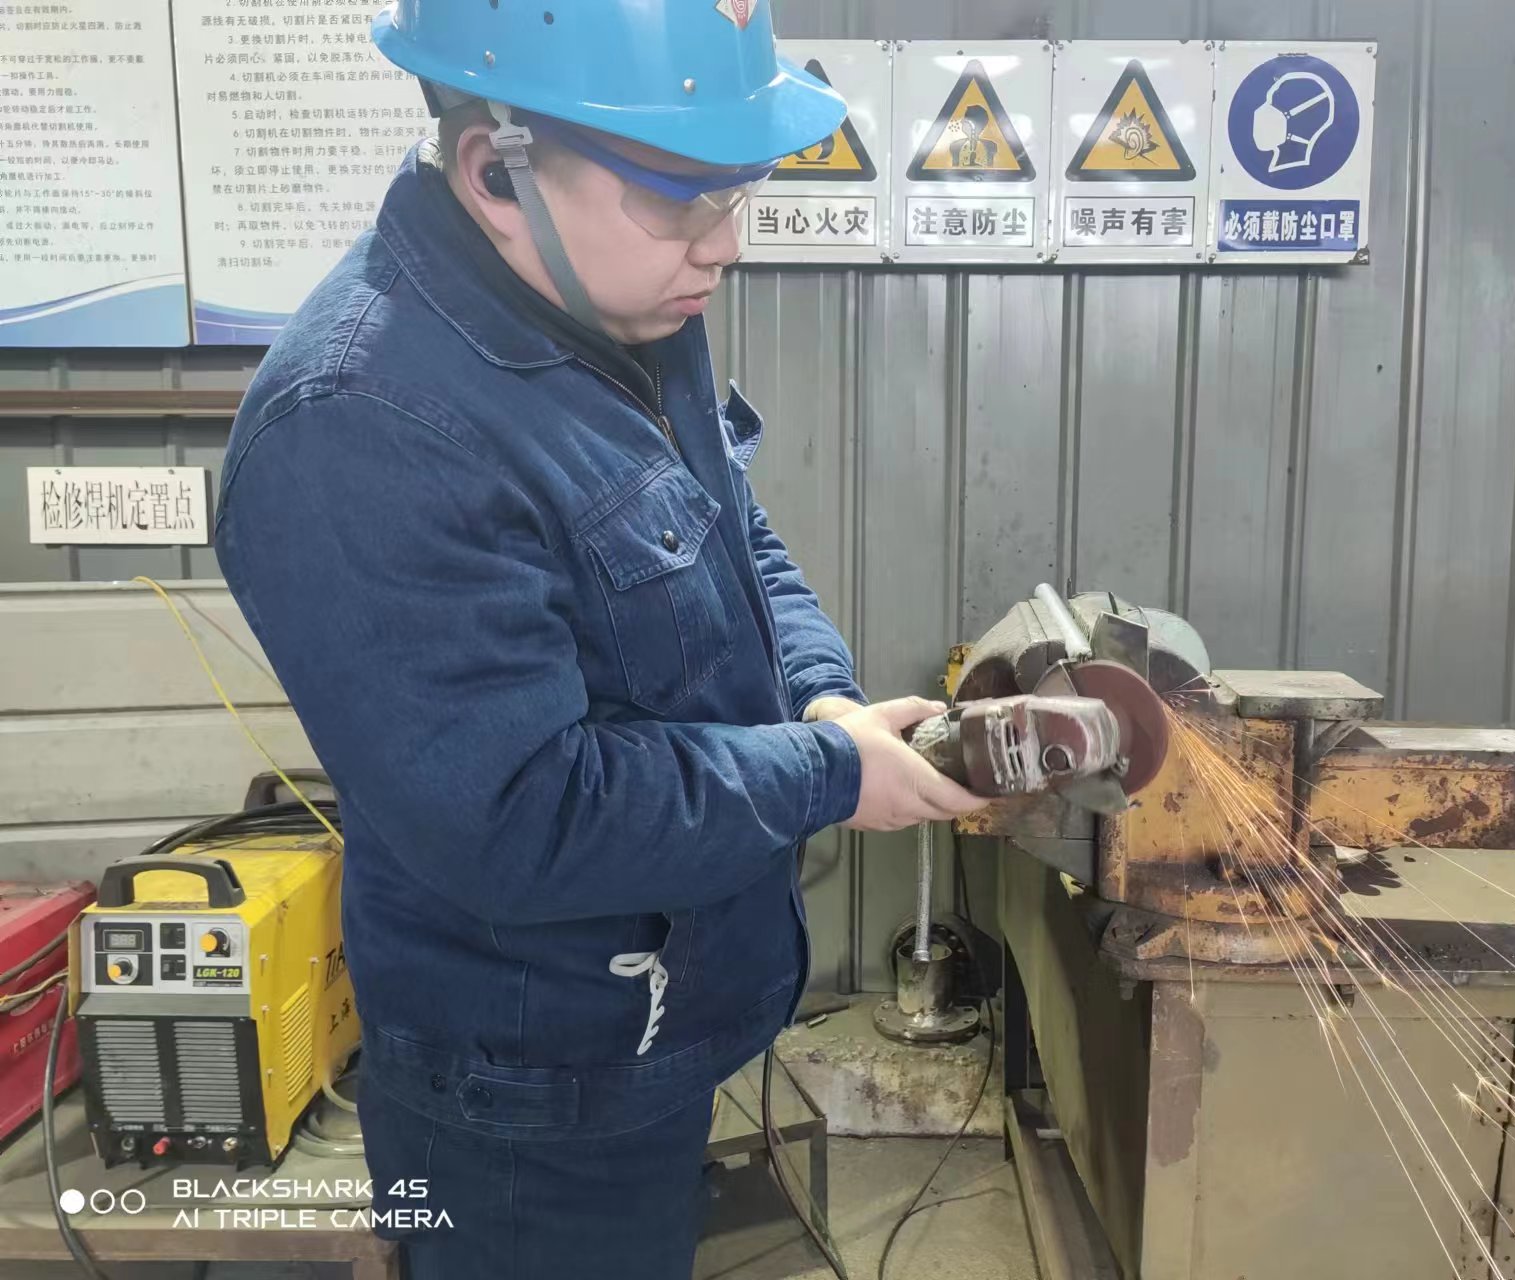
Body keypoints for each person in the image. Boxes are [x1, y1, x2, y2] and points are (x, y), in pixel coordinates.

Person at [211, 2, 983, 1276]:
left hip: (648, 1030)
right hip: (525, 1103)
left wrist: (826, 699)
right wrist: (829, 776)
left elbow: (734, 528)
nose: (722, 248)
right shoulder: (357, 429)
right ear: (492, 173)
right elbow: (525, 813)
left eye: (737, 193)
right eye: (681, 199)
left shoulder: (622, 309)